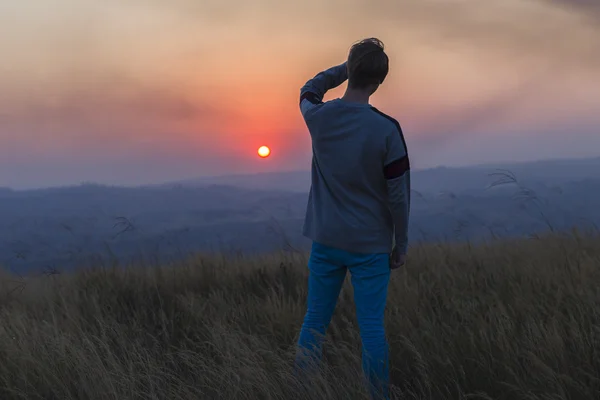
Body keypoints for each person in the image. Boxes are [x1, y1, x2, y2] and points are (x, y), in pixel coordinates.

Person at [295, 38, 411, 399]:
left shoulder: (319, 116)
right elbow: (399, 196)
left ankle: (301, 391)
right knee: (372, 329)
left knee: (314, 322)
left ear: (351, 71)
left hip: (326, 239)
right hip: (371, 244)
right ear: (380, 81)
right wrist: (401, 243)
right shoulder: (387, 130)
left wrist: (344, 68)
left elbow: (308, 89)